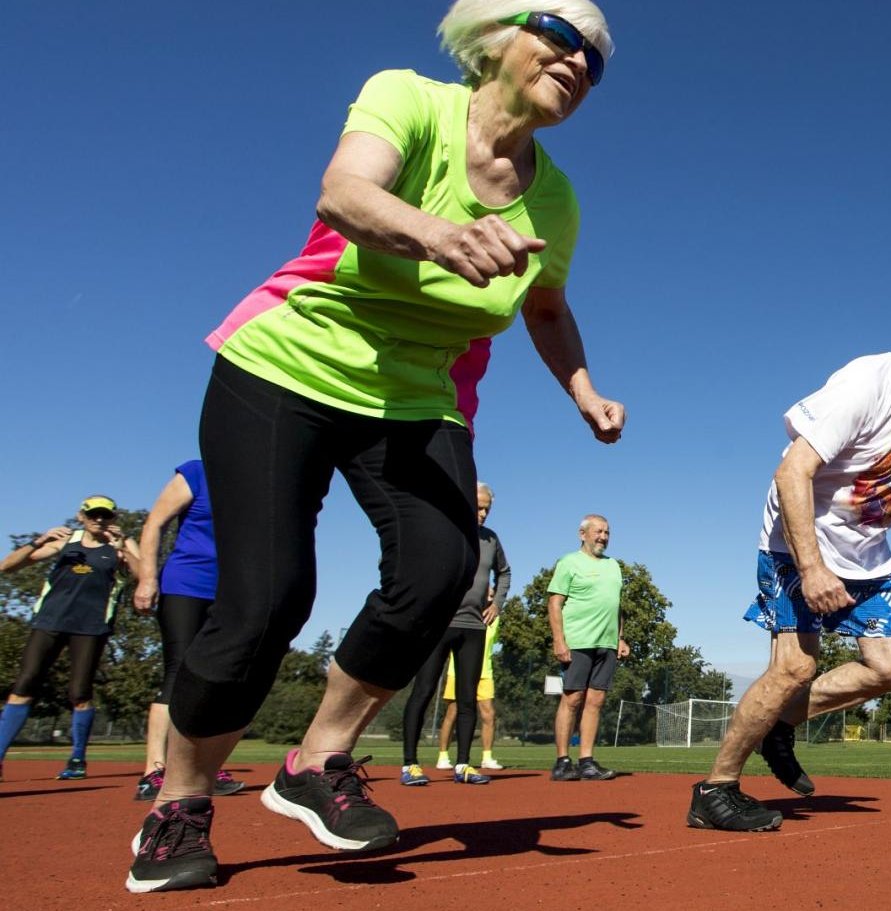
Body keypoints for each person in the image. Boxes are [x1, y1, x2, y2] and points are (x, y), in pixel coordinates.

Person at [126, 1, 623, 894]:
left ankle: (317, 761)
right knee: (269, 599)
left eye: (598, 59)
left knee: (438, 570)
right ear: (498, 35)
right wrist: (443, 234)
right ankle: (180, 805)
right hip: (287, 366)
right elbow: (343, 195)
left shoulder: (558, 196)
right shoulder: (408, 98)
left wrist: (584, 389)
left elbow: (545, 307)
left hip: (420, 396)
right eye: (564, 33)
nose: (581, 60)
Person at [687, 300, 891, 832]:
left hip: (866, 557)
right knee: (795, 667)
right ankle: (715, 788)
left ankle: (781, 723)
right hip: (797, 545)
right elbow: (792, 473)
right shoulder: (868, 381)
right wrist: (812, 568)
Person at [0, 497, 138, 781]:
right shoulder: (65, 541)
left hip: (91, 627)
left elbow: (144, 574)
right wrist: (39, 541)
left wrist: (123, 545)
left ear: (112, 518)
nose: (99, 520)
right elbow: (7, 567)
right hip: (49, 622)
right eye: (93, 515)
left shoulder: (120, 545)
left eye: (105, 515)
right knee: (24, 684)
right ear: (81, 516)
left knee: (80, 692)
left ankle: (77, 759)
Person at [131, 463, 246, 800]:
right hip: (185, 584)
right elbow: (155, 523)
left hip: (230, 591)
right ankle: (153, 772)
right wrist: (147, 577)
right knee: (178, 671)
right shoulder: (197, 472)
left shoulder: (255, 479)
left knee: (218, 677)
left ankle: (204, 766)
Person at [399, 482, 511, 786]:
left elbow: (504, 572)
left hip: (473, 627)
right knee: (423, 691)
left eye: (488, 507)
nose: (484, 513)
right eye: (478, 506)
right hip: (438, 626)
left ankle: (463, 764)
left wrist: (497, 605)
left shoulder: (490, 540)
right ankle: (410, 764)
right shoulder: (443, 531)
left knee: (467, 698)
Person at [549, 514, 626, 782]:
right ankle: (562, 761)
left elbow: (616, 606)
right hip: (578, 641)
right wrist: (559, 640)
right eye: (598, 531)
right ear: (583, 534)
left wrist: (620, 637)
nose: (603, 537)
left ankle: (586, 761)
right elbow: (555, 603)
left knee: (596, 701)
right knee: (572, 699)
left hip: (607, 644)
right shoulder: (569, 562)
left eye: (607, 532)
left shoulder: (614, 566)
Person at [436, 614, 502, 771]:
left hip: (485, 673)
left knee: (489, 715)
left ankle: (487, 757)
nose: (490, 595)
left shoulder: (496, 618)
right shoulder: (465, 614)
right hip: (458, 671)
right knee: (452, 713)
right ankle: (443, 756)